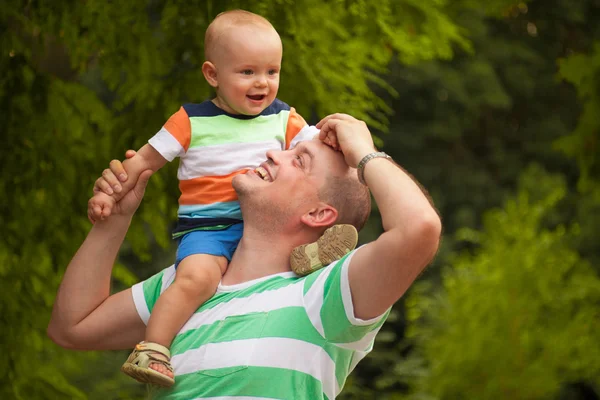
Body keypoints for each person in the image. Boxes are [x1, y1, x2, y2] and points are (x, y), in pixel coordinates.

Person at [48, 113, 442, 399]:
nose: (275, 155)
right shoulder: (184, 284)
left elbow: (419, 230)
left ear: (319, 215)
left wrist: (364, 152)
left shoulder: (326, 295)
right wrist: (113, 221)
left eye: (298, 160)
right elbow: (72, 327)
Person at [87, 10, 358, 387]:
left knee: (306, 220)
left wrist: (347, 139)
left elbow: (323, 160)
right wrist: (111, 197)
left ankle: (314, 254)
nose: (262, 82)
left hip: (260, 228)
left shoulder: (284, 119)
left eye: (271, 71)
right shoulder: (190, 121)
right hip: (209, 228)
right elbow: (144, 162)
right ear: (213, 74)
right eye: (247, 72)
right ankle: (153, 348)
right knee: (196, 279)